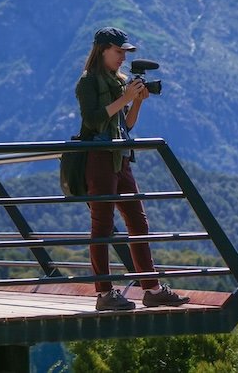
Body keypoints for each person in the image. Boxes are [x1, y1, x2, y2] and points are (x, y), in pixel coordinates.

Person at [75, 26, 191, 311]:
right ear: (102, 50)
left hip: (120, 157)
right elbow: (92, 122)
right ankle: (104, 294)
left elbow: (125, 125)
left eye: (124, 54)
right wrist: (126, 98)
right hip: (99, 159)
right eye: (118, 52)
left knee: (138, 222)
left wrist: (136, 102)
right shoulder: (87, 82)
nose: (122, 59)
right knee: (102, 227)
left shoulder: (120, 81)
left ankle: (151, 289)